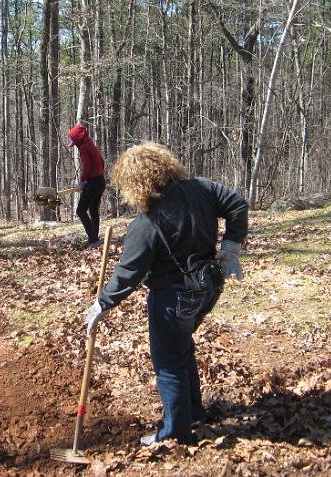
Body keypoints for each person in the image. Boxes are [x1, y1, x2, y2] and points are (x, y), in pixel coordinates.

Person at [85, 142, 248, 446]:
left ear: (135, 181)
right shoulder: (201, 188)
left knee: (169, 362)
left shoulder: (148, 222)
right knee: (181, 347)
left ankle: (175, 432)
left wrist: (101, 303)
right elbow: (237, 203)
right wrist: (230, 245)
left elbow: (128, 273)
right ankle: (193, 413)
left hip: (174, 299)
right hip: (209, 288)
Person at [68, 123, 106, 249]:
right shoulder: (90, 144)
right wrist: (96, 175)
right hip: (100, 181)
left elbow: (88, 166)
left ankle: (93, 239)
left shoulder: (84, 147)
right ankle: (95, 239)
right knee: (93, 210)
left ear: (78, 139)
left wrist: (83, 181)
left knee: (80, 210)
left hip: (94, 182)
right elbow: (102, 162)